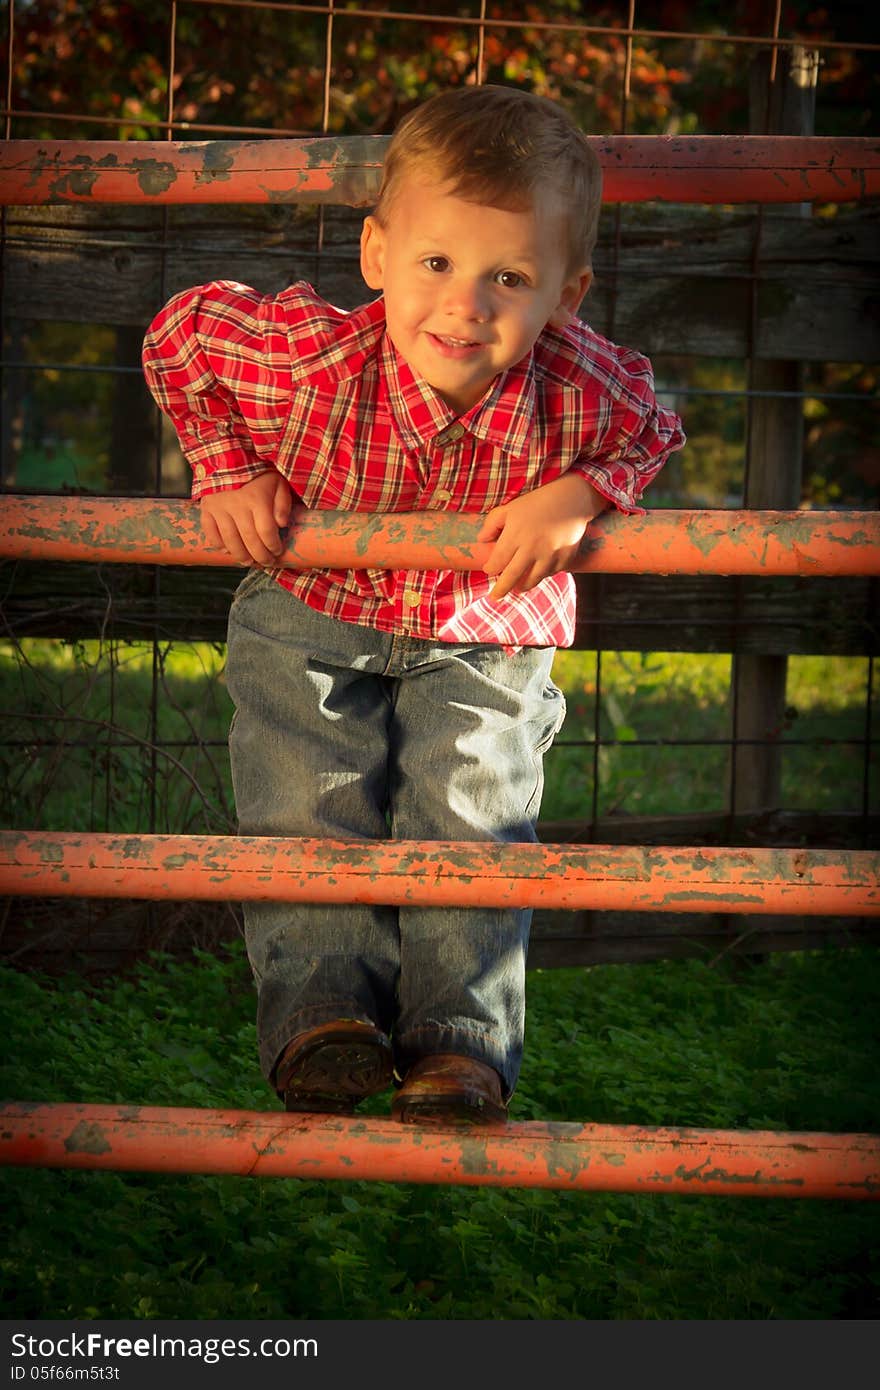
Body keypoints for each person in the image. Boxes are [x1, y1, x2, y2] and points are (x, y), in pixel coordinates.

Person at [142, 84, 685, 1127]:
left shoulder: (580, 387)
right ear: (377, 254)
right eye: (436, 263)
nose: (465, 304)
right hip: (313, 610)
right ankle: (322, 1019)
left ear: (566, 295)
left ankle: (458, 1047)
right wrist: (223, 469)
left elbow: (651, 427)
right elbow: (179, 335)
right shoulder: (303, 362)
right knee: (305, 802)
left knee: (472, 817)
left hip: (484, 632)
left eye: (507, 277)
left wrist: (576, 497)